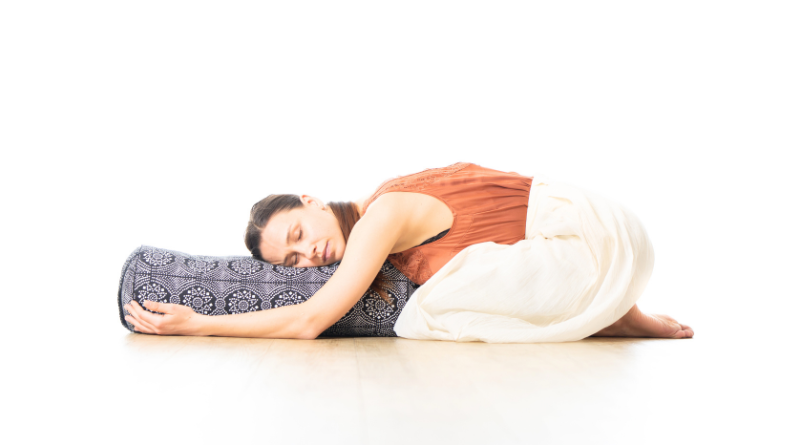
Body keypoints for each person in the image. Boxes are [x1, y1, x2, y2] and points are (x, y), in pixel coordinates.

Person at [124, 163, 693, 341]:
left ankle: (622, 317)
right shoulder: (382, 209)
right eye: (292, 263)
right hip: (615, 241)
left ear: (312, 201)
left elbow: (311, 319)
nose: (310, 256)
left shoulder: (381, 217)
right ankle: (626, 314)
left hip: (594, 236)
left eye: (298, 235)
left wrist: (200, 324)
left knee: (425, 313)